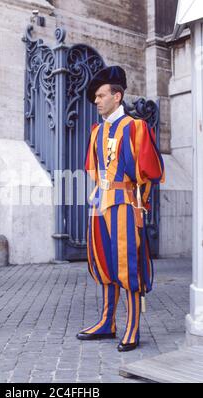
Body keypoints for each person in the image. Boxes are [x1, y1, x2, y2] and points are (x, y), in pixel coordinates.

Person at [76, 66, 165, 352]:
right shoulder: (96, 132)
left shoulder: (136, 128)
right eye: (96, 97)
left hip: (125, 204)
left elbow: (152, 172)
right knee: (103, 263)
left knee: (127, 265)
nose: (97, 101)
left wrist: (140, 204)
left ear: (118, 95)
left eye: (101, 96)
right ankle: (107, 322)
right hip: (99, 205)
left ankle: (133, 326)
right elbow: (93, 169)